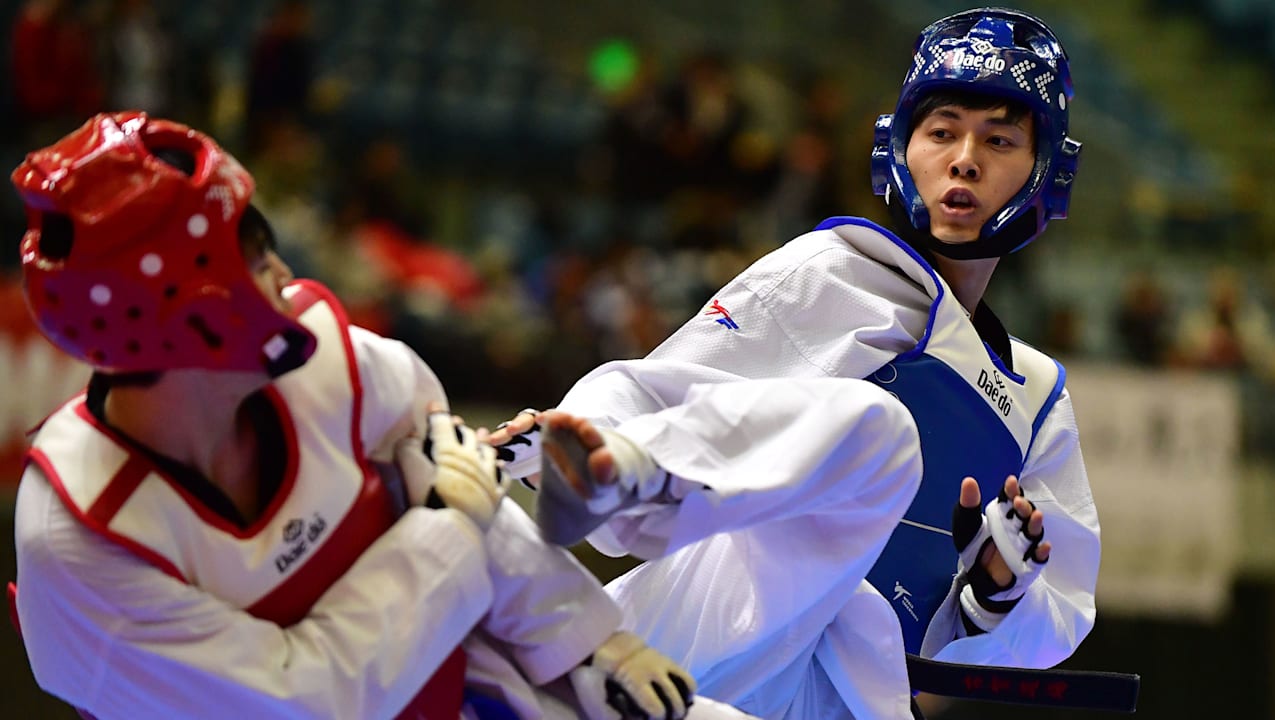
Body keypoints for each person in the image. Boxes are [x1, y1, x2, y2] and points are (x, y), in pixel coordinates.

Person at [7, 111, 760, 720]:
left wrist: (592, 646)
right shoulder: (82, 544)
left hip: (461, 689)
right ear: (187, 313)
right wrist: (446, 529)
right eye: (253, 251)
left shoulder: (335, 363)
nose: (283, 272)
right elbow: (308, 702)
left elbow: (458, 487)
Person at [493, 8, 1098, 719]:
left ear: (1047, 171)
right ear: (898, 150)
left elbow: (1056, 625)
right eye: (941, 132)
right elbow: (657, 386)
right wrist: (585, 433)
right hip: (720, 623)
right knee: (878, 429)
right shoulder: (832, 272)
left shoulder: (1040, 399)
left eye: (998, 139)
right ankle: (615, 471)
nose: (964, 158)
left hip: (851, 696)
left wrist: (997, 594)